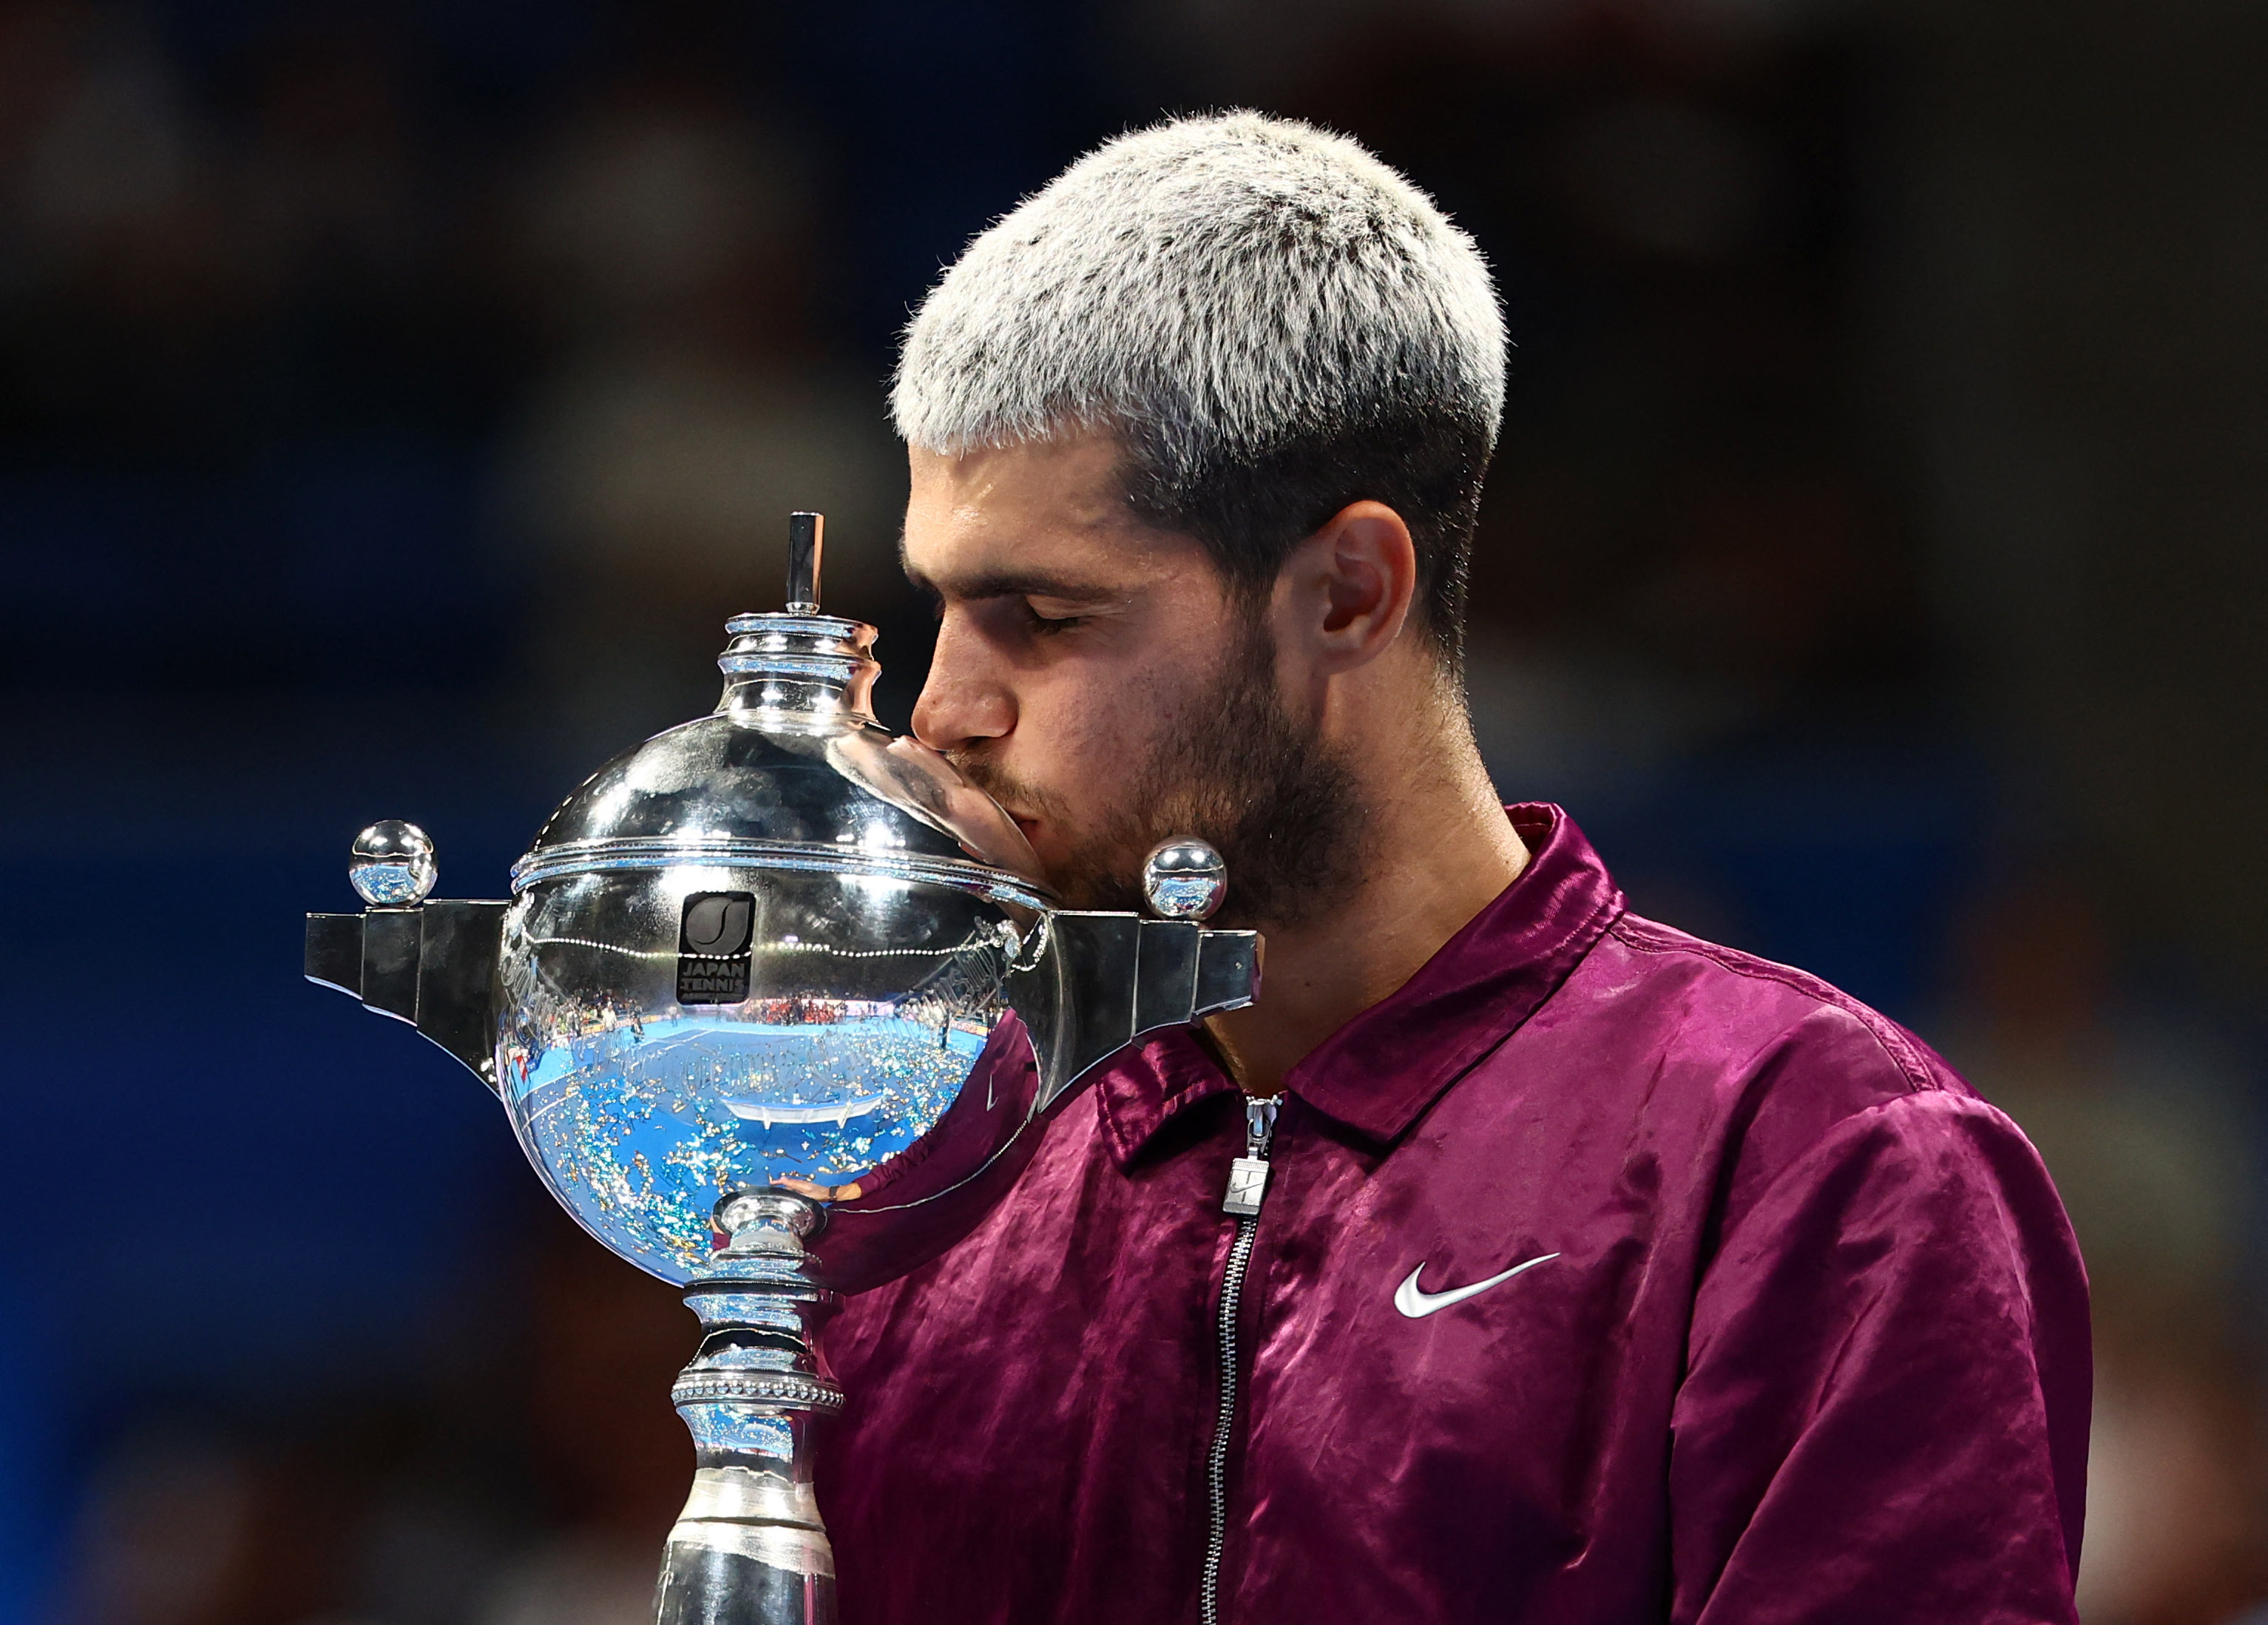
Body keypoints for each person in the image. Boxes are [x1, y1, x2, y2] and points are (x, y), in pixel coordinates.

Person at [812, 112, 2088, 1625]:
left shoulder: (1816, 1166)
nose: (945, 710)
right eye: (942, 608)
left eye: (1043, 614)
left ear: (1349, 593)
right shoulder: (926, 1174)